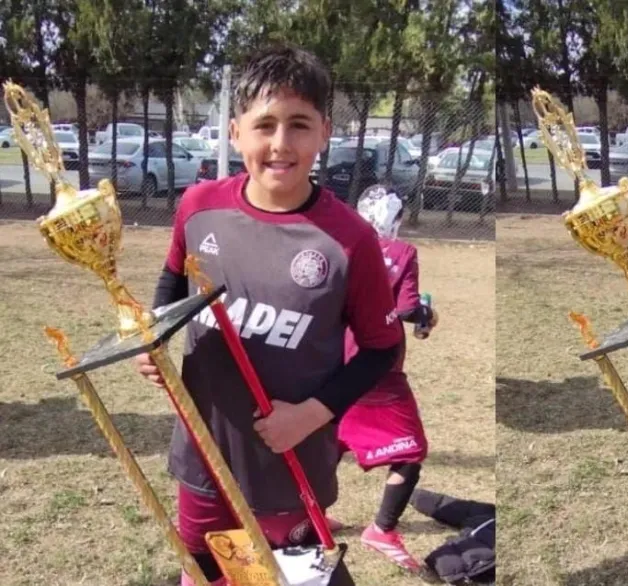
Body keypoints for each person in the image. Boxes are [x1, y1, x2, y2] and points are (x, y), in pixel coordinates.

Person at [134, 45, 404, 586]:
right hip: (204, 450)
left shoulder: (349, 239)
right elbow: (172, 279)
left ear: (324, 132)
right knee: (206, 569)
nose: (281, 144)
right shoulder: (199, 206)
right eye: (265, 125)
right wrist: (155, 334)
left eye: (299, 125)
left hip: (288, 464)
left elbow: (383, 349)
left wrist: (310, 414)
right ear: (235, 132)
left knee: (274, 577)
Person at [324, 184, 438, 573]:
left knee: (332, 438)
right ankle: (382, 530)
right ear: (396, 219)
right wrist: (426, 315)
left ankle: (313, 514)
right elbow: (407, 309)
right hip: (377, 367)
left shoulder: (338, 245)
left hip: (331, 360)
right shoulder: (403, 252)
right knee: (411, 452)